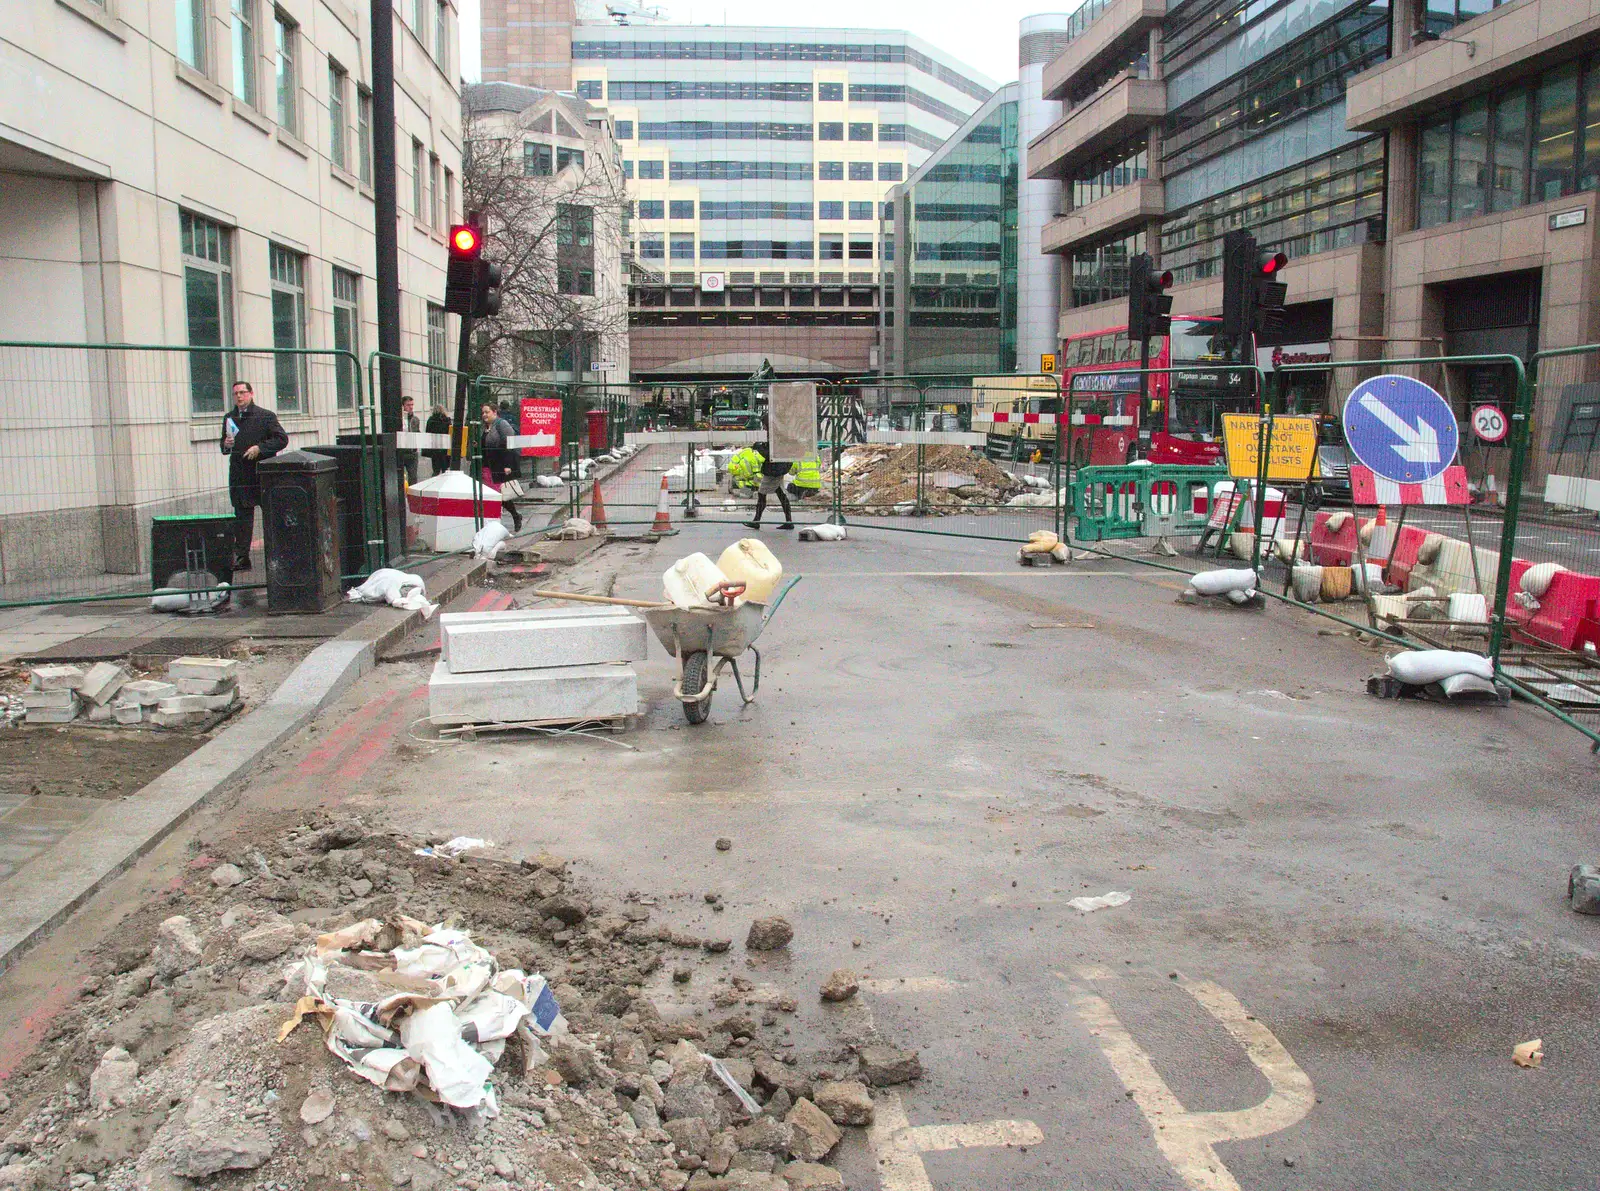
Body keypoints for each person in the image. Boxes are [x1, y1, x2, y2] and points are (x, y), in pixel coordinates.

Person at [219, 380, 288, 572]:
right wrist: (227, 444)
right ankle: (242, 557)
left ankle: (277, 553)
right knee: (242, 518)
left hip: (262, 474)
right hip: (240, 475)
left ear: (251, 394)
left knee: (271, 515)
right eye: (236, 394)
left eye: (242, 392)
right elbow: (224, 448)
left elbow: (281, 439)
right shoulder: (229, 417)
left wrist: (260, 448)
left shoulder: (265, 416)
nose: (239, 397)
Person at [479, 402, 523, 532]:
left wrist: (508, 464)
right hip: (487, 465)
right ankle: (498, 520)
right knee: (493, 495)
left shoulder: (501, 424)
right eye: (483, 413)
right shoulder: (485, 427)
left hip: (499, 465)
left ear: (494, 412)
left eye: (487, 412)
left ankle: (510, 517)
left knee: (498, 495)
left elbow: (509, 443)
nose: (484, 415)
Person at [743, 441, 794, 531]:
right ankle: (789, 521)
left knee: (762, 494)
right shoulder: (780, 442)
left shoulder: (775, 443)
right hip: (777, 470)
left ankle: (756, 521)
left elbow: (768, 455)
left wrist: (759, 447)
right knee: (781, 495)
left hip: (773, 471)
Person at [398, 397, 421, 486]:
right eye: (408, 405)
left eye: (412, 405)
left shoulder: (415, 419)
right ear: (403, 406)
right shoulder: (399, 419)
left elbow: (417, 432)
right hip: (401, 451)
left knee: (413, 477)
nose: (411, 407)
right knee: (400, 476)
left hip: (412, 452)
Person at [423, 405, 451, 476]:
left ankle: (434, 484)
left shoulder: (431, 420)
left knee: (436, 470)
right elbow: (450, 433)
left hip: (435, 449)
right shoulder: (447, 420)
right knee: (445, 470)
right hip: (445, 448)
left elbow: (428, 433)